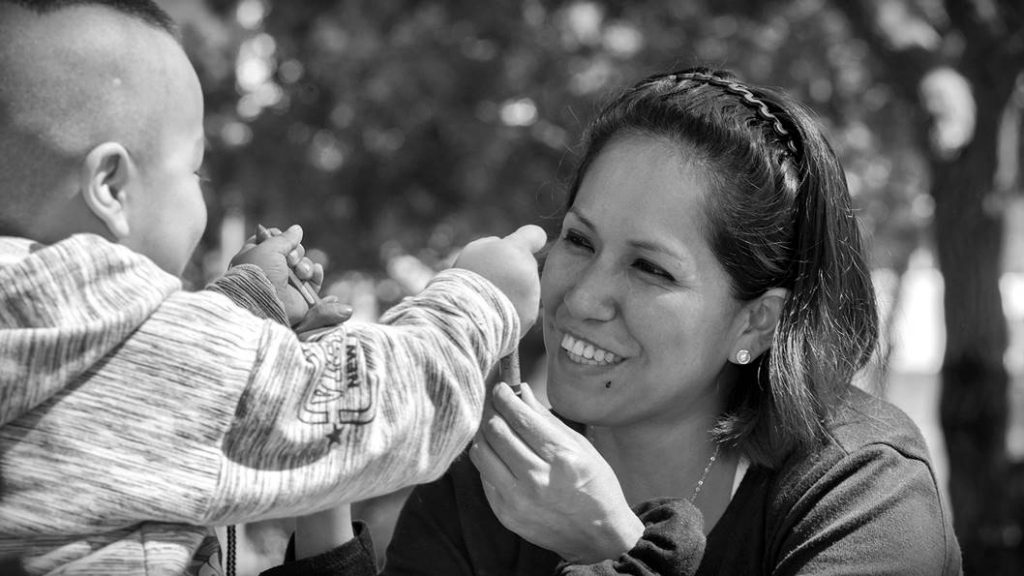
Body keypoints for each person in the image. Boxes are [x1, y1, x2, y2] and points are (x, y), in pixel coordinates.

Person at [267, 67, 964, 575]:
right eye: (579, 240)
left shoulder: (858, 488)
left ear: (757, 325)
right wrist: (321, 469)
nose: (582, 296)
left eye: (650, 269)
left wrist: (613, 549)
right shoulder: (491, 473)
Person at [0, 1, 547, 574]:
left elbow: (144, 375)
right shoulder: (148, 362)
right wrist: (481, 300)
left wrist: (248, 302)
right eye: (193, 170)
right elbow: (385, 412)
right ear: (110, 186)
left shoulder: (45, 339)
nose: (201, 193)